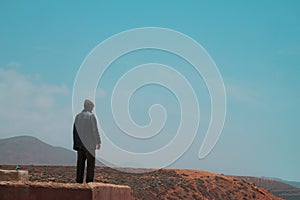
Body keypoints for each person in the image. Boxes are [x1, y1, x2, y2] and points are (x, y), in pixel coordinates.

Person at [73, 99, 101, 183]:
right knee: (90, 164)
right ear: (89, 107)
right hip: (89, 145)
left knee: (80, 163)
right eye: (92, 107)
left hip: (79, 145)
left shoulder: (78, 116)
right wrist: (98, 141)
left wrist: (76, 144)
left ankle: (79, 181)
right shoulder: (91, 116)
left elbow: (74, 131)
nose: (92, 109)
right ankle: (89, 181)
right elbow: (94, 130)